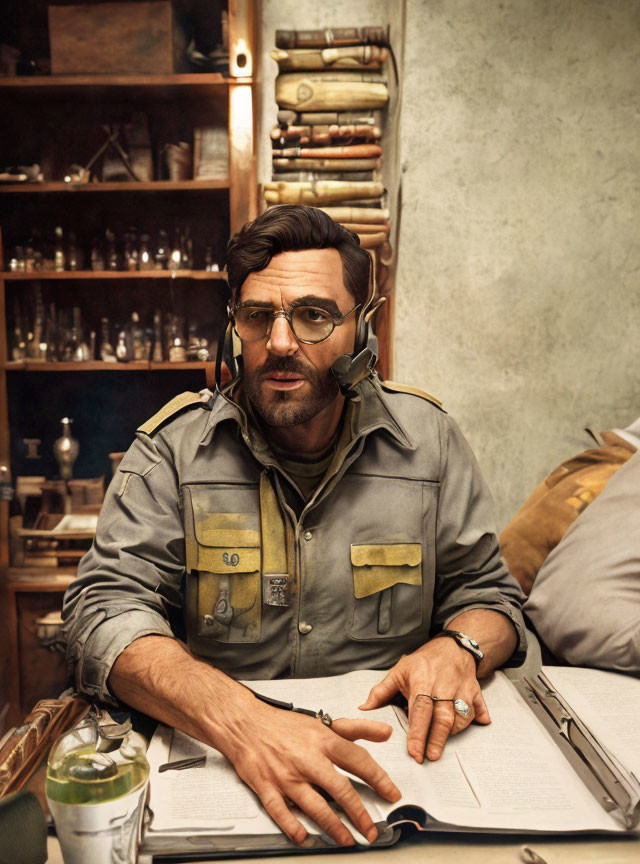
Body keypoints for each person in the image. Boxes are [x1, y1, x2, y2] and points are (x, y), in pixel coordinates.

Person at [62, 205, 526, 847]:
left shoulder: (431, 443)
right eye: (259, 317)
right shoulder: (173, 450)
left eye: (314, 314)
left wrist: (458, 648)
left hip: (398, 779)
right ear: (235, 331)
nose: (281, 343)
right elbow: (102, 611)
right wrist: (243, 721)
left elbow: (492, 598)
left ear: (364, 327)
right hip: (222, 767)